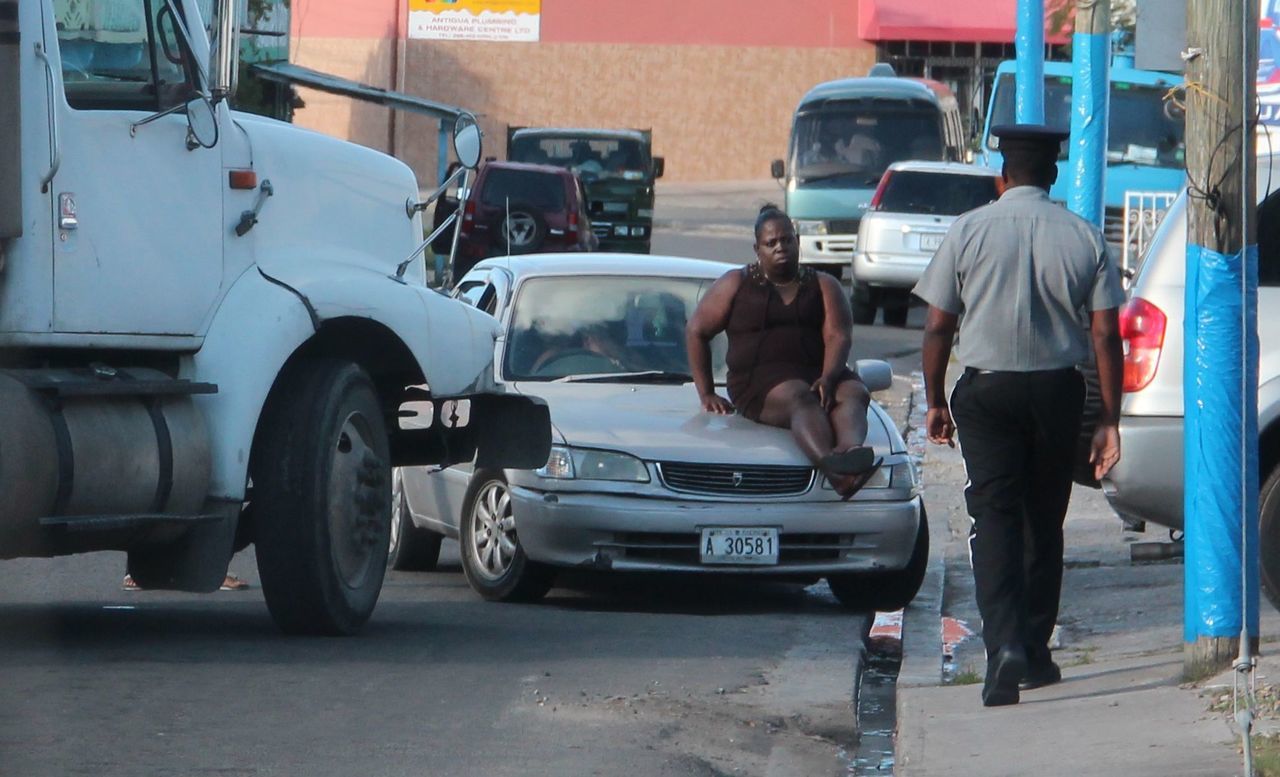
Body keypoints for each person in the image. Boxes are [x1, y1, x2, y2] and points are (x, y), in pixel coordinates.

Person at [912, 124, 1125, 707]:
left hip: (988, 395)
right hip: (1058, 393)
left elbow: (936, 326)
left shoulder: (968, 231)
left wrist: (934, 400)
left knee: (995, 517)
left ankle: (1002, 646)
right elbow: (1105, 334)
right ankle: (1033, 651)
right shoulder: (1084, 236)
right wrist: (1110, 414)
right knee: (1043, 518)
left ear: (1001, 176)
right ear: (1053, 176)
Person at [686, 205, 880, 498]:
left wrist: (829, 378)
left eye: (787, 240)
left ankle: (849, 451)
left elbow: (838, 336)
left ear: (797, 241)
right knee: (800, 396)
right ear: (757, 248)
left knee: (855, 391)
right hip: (758, 382)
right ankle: (836, 473)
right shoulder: (735, 284)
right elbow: (696, 331)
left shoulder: (824, 284)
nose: (781, 247)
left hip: (818, 371)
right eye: (771, 242)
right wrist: (707, 392)